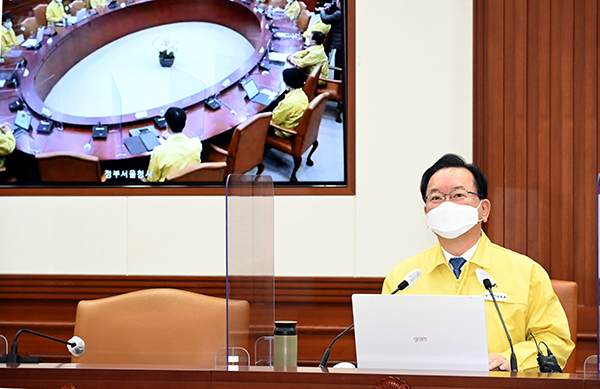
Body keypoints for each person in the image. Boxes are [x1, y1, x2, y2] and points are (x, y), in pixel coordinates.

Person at [382, 154, 574, 372]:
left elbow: (556, 342)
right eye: (435, 198)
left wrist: (511, 360)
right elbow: (386, 344)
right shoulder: (403, 278)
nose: (446, 205)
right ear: (426, 213)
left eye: (458, 194)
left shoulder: (527, 272)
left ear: (483, 210)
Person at [146, 107, 202, 182]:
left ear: (167, 126)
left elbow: (151, 180)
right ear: (184, 125)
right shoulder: (196, 144)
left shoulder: (158, 152)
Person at [270, 68, 309, 139]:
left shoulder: (288, 103)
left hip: (282, 131)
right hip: (293, 125)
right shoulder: (302, 95)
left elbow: (275, 120)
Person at [319, 0, 343, 71]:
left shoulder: (339, 13)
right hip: (339, 40)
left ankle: (337, 78)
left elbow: (326, 19)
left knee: (338, 61)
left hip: (338, 41)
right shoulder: (342, 11)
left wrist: (322, 11)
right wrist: (328, 9)